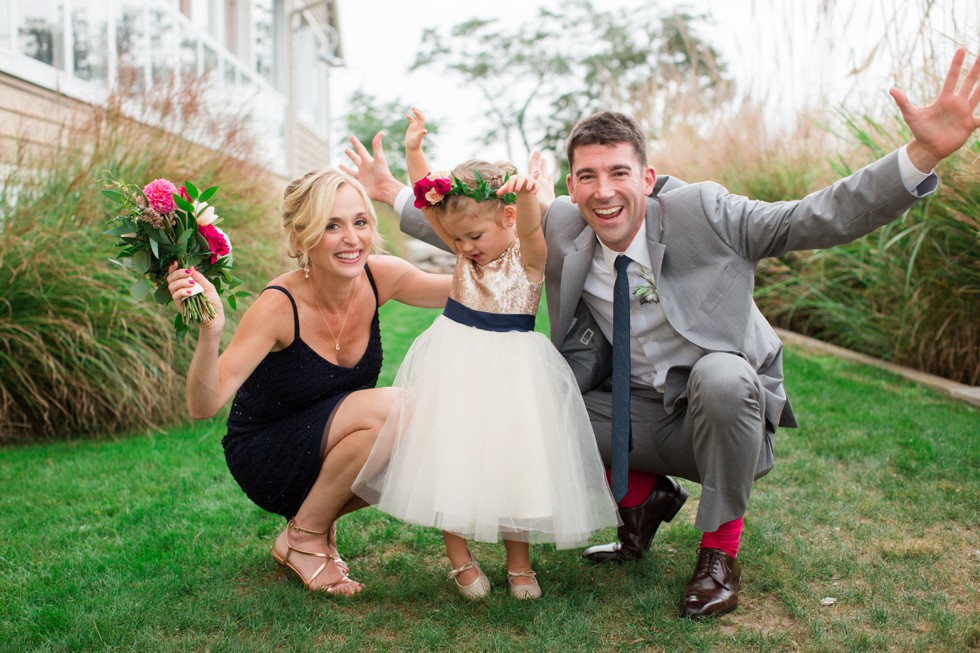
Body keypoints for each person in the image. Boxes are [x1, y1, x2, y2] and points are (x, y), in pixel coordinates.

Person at [344, 48, 980, 617]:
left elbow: (814, 217)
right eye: (588, 177)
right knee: (538, 395)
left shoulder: (708, 212)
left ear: (647, 178)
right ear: (571, 186)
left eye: (619, 172)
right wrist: (393, 193)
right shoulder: (562, 225)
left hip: (716, 409)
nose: (604, 191)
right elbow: (476, 229)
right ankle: (645, 499)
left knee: (723, 374)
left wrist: (920, 154)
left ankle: (718, 556)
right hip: (629, 410)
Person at [351, 108, 620, 601]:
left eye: (474, 237)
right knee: (448, 454)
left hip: (515, 366)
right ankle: (460, 560)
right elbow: (427, 202)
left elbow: (534, 227)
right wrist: (414, 153)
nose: (464, 247)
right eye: (456, 239)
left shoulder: (530, 253)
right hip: (456, 355)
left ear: (509, 219)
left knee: (515, 461)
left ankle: (520, 565)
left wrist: (524, 193)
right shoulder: (460, 242)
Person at [165, 169, 450, 596]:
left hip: (330, 448)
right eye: (331, 225)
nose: (351, 238)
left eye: (360, 222)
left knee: (423, 433)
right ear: (300, 239)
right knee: (400, 408)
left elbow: (469, 286)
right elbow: (203, 405)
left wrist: (499, 224)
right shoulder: (278, 305)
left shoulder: (380, 276)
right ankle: (305, 537)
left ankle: (306, 529)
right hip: (267, 453)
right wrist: (211, 330)